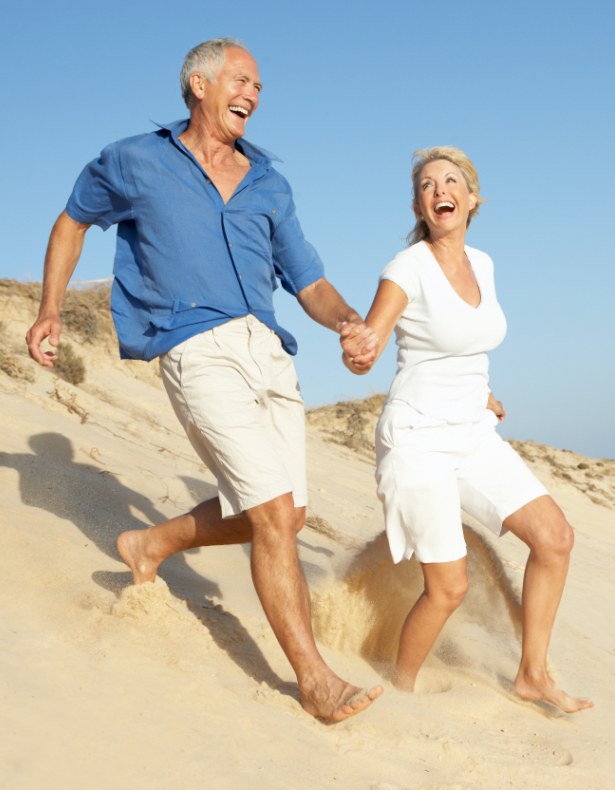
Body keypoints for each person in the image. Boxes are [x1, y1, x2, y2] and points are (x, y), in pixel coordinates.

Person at [26, 38, 382, 722]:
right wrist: (49, 310)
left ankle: (148, 543)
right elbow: (72, 222)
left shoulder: (269, 182)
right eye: (242, 79)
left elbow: (308, 280)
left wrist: (349, 323)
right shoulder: (135, 159)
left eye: (258, 85)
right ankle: (313, 679)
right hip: (194, 345)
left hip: (268, 352)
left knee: (283, 514)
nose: (253, 92)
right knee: (274, 515)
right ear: (199, 83)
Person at [343, 146, 592, 714]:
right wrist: (361, 350)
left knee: (555, 539)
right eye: (427, 185)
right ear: (418, 205)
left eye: (451, 181)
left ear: (472, 199)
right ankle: (400, 689)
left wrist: (480, 394)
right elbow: (375, 339)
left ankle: (532, 675)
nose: (439, 190)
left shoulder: (484, 263)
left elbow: (464, 344)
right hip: (417, 439)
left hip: (472, 431)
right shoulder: (406, 268)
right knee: (448, 588)